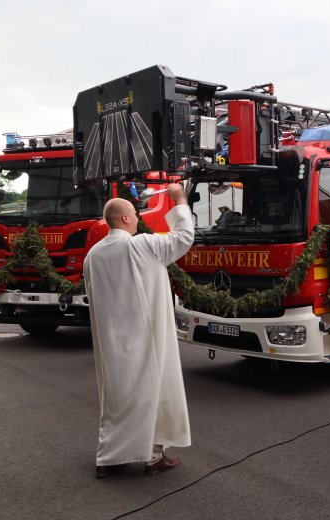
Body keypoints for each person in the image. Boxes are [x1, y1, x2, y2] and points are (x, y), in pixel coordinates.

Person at [83, 184, 194, 479]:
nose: (137, 217)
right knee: (152, 391)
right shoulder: (140, 245)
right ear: (126, 219)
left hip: (112, 338)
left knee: (117, 399)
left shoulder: (93, 255)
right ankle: (153, 457)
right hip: (146, 336)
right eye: (134, 213)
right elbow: (183, 237)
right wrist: (180, 200)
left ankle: (109, 458)